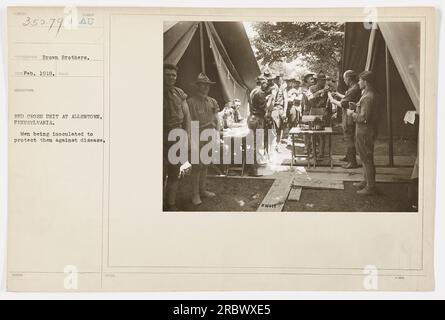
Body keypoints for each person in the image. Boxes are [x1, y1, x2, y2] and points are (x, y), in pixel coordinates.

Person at [187, 73, 220, 205]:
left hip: (209, 135)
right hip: (196, 134)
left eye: (207, 85)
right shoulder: (190, 102)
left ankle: (202, 190)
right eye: (202, 85)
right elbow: (188, 123)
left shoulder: (212, 101)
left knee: (205, 165)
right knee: (196, 167)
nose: (206, 87)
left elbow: (217, 118)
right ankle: (195, 195)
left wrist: (217, 133)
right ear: (197, 86)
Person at [163, 63, 191, 211]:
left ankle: (170, 203)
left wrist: (187, 136)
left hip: (177, 135)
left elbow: (187, 116)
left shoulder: (180, 93)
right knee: (159, 172)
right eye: (168, 75)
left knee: (174, 172)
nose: (171, 78)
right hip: (161, 136)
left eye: (173, 75)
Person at [350, 71, 380, 195]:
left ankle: (371, 187)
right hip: (365, 131)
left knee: (367, 158)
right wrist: (355, 107)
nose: (358, 82)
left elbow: (364, 118)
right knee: (364, 157)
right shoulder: (369, 94)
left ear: (365, 82)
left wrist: (351, 114)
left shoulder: (368, 97)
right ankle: (366, 181)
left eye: (360, 80)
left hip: (365, 131)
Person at [329, 70, 361, 169]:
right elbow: (347, 98)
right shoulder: (354, 87)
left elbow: (343, 103)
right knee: (348, 137)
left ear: (348, 78)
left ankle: (352, 162)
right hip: (348, 115)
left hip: (349, 117)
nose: (344, 80)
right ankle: (348, 157)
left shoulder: (353, 89)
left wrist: (332, 99)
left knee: (349, 138)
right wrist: (338, 94)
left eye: (344, 78)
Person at [247, 76, 273, 176]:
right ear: (261, 83)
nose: (267, 85)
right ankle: (253, 169)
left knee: (253, 143)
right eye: (265, 83)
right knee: (256, 144)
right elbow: (264, 108)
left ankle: (253, 167)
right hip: (257, 118)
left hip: (252, 117)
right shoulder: (260, 92)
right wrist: (270, 99)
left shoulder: (253, 91)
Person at [307, 72, 330, 158]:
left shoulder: (327, 88)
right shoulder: (311, 88)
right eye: (322, 80)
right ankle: (313, 151)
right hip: (313, 110)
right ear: (318, 80)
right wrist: (319, 92)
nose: (324, 82)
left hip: (322, 110)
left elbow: (331, 98)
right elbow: (309, 98)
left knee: (322, 133)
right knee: (312, 132)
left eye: (324, 80)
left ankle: (321, 153)